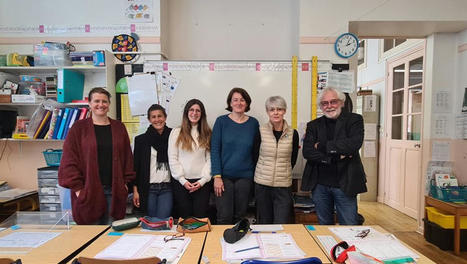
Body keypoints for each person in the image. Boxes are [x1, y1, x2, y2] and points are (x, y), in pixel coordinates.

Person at [58, 87, 135, 225]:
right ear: (89, 104)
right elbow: (69, 160)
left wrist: (124, 184)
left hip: (114, 190)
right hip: (88, 190)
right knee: (89, 234)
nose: (101, 105)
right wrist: (78, 189)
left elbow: (127, 157)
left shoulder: (119, 128)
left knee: (111, 233)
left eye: (104, 101)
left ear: (109, 104)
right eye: (97, 101)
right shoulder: (78, 128)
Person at [301, 87, 367, 225]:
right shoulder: (313, 125)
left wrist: (321, 146)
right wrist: (332, 158)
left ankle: (348, 247)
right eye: (325, 103)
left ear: (341, 102)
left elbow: (353, 144)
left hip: (345, 183)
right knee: (324, 226)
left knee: (349, 225)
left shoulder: (354, 120)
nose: (329, 106)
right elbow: (307, 151)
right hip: (319, 184)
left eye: (333, 102)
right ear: (321, 106)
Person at [211, 87, 259, 224]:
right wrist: (217, 176)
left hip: (245, 177)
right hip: (223, 177)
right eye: (235, 100)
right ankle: (221, 245)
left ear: (247, 103)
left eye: (242, 100)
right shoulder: (221, 122)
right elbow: (214, 150)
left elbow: (256, 152)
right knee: (224, 216)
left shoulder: (253, 123)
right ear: (230, 103)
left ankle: (237, 243)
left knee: (240, 216)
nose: (239, 103)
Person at [254, 96, 299, 224]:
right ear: (267, 112)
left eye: (279, 109)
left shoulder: (293, 133)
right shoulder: (260, 131)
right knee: (264, 223)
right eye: (272, 109)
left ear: (284, 111)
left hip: (283, 186)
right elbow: (254, 156)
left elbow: (293, 158)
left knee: (282, 223)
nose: (276, 112)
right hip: (262, 184)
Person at [168, 99, 212, 218]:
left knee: (200, 218)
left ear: (202, 114)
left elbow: (210, 160)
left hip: (202, 184)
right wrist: (183, 180)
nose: (194, 113)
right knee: (185, 218)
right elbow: (172, 158)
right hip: (181, 184)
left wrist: (203, 181)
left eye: (198, 110)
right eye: (191, 110)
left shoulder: (207, 133)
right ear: (186, 112)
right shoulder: (176, 132)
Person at [132, 104, 172, 218]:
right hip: (148, 189)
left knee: (163, 222)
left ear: (165, 117)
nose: (157, 119)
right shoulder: (141, 140)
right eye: (153, 117)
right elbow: (136, 167)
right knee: (150, 222)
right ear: (149, 119)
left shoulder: (173, 136)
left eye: (160, 116)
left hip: (167, 188)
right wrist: (135, 191)